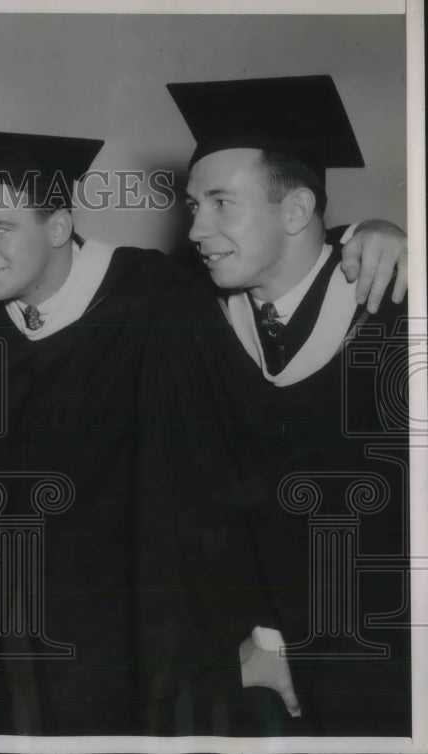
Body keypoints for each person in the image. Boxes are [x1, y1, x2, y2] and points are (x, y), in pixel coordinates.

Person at [0, 125, 408, 735]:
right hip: (5, 624)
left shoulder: (151, 290)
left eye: (1, 228)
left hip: (132, 626)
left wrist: (370, 233)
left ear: (59, 227)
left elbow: (283, 255)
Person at [142, 74, 411, 736]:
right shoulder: (195, 315)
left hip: (388, 653)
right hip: (256, 650)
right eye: (192, 204)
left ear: (294, 212)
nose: (194, 226)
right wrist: (263, 635)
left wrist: (388, 231)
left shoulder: (396, 316)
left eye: (220, 203)